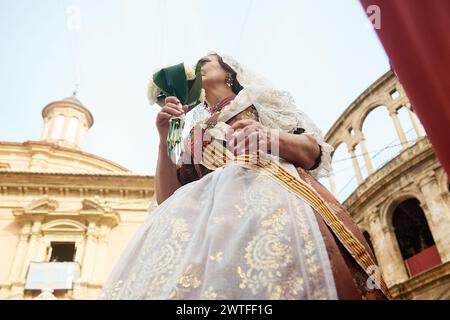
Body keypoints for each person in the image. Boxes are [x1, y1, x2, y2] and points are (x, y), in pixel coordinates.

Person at [99, 53, 390, 300]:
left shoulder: (261, 101)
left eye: (206, 61)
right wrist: (165, 140)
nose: (198, 66)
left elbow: (313, 152)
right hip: (212, 233)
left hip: (280, 205)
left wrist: (271, 137)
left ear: (230, 72)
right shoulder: (193, 134)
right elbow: (167, 199)